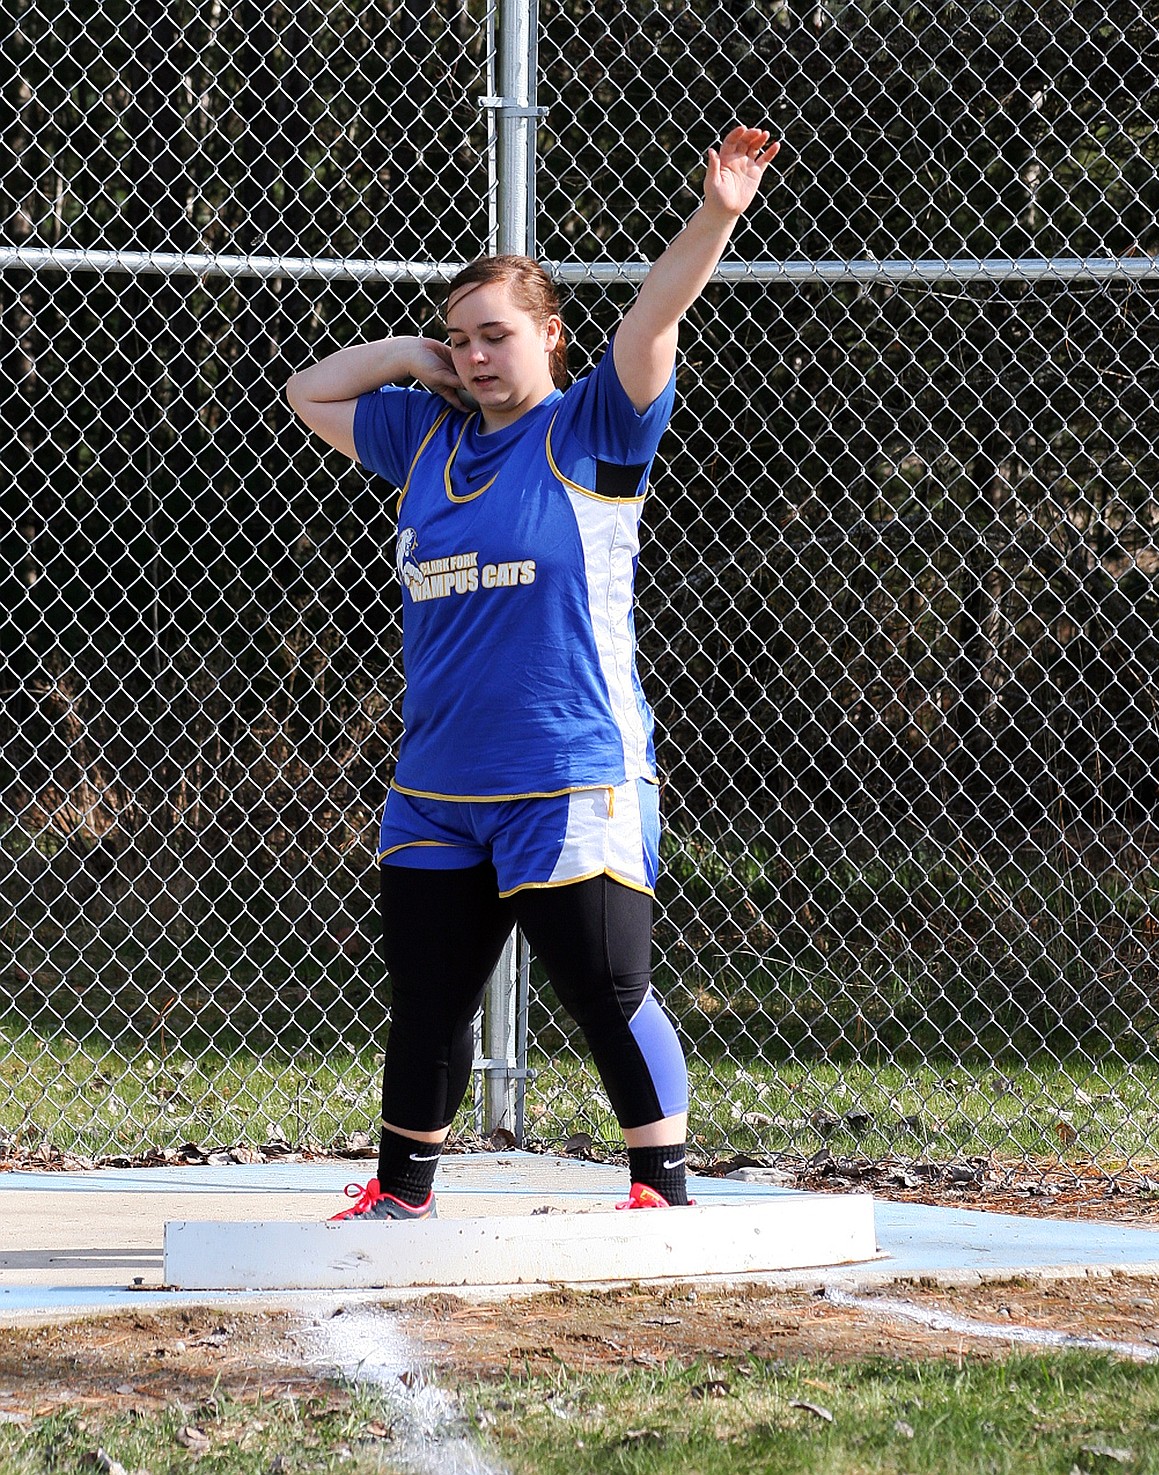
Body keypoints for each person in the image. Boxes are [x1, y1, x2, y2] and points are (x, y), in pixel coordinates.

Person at [286, 125, 779, 1219]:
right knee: (427, 999)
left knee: (607, 988)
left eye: (495, 334)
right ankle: (402, 1191)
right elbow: (307, 394)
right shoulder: (424, 437)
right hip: (437, 784)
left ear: (552, 338)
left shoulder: (594, 429)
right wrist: (414, 357)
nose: (474, 355)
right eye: (459, 339)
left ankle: (661, 1188)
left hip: (570, 772)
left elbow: (654, 319)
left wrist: (717, 215)